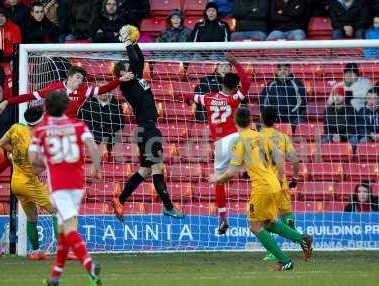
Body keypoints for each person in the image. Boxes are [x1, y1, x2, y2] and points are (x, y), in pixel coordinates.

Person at [208, 107, 313, 271]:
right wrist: (279, 177)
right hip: (274, 184)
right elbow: (279, 154)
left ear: (234, 121)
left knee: (255, 226)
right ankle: (302, 239)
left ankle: (285, 260)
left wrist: (217, 179)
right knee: (268, 223)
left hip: (262, 187)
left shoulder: (240, 141)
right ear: (251, 121)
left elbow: (232, 172)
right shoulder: (260, 136)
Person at [29, 90, 102, 286]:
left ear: (46, 108)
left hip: (59, 186)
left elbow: (32, 159)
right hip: (78, 184)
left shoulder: (41, 130)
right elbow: (94, 149)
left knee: (68, 227)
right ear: (66, 106)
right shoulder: (78, 125)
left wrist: (47, 161)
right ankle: (55, 276)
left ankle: (90, 265)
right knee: (63, 229)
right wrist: (95, 169)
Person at [112, 29, 186, 221]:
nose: (131, 69)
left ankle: (119, 200)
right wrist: (127, 43)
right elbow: (136, 62)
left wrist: (135, 42)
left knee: (145, 170)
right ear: (121, 75)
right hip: (147, 129)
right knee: (157, 168)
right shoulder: (126, 85)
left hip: (147, 128)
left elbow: (140, 61)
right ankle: (168, 206)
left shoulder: (136, 78)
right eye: (126, 69)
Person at [186, 53, 251, 234]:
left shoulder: (208, 98)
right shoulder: (234, 99)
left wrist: (186, 98)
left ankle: (222, 218)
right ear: (235, 87)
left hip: (221, 143)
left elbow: (192, 96)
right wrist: (236, 63)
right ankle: (245, 169)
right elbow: (247, 84)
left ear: (222, 84)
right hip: (237, 137)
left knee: (219, 181)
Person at [0, 106, 58, 260]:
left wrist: (15, 155)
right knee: (58, 212)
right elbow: (38, 170)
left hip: (16, 183)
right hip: (29, 182)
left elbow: (1, 143)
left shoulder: (16, 127)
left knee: (32, 218)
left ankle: (36, 252)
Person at [0, 65, 134, 118]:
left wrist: (120, 80)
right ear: (69, 77)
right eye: (78, 77)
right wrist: (7, 101)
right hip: (52, 125)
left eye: (82, 79)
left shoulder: (84, 90)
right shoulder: (54, 88)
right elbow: (29, 96)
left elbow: (105, 88)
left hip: (70, 126)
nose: (80, 81)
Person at [259, 106, 301, 261]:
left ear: (262, 119)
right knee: (286, 213)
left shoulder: (256, 137)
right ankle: (300, 239)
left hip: (264, 183)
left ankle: (271, 251)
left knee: (264, 218)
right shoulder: (283, 137)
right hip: (281, 182)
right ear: (275, 120)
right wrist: (295, 178)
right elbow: (295, 160)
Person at [259, 63, 307, 129]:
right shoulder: (270, 85)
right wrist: (268, 114)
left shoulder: (297, 84)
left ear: (290, 71)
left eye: (285, 69)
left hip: (293, 117)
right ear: (277, 71)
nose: (282, 71)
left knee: (300, 125)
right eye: (280, 69)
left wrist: (291, 113)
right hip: (274, 117)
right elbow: (263, 102)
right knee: (260, 125)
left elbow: (302, 102)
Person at [78, 91, 124, 158]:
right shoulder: (89, 103)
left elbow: (120, 123)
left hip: (110, 134)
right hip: (93, 133)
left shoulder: (116, 104)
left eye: (106, 91)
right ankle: (102, 148)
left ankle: (103, 148)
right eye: (102, 91)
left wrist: (108, 131)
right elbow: (84, 120)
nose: (103, 93)